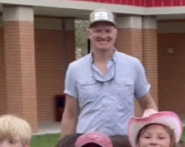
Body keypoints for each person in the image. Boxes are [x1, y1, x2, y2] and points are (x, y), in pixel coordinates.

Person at [61, 9, 157, 138]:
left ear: (115, 33)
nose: (103, 35)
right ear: (89, 33)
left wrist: (151, 132)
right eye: (98, 31)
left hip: (123, 144)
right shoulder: (75, 69)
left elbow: (148, 105)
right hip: (88, 144)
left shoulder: (133, 65)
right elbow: (70, 114)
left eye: (108, 30)